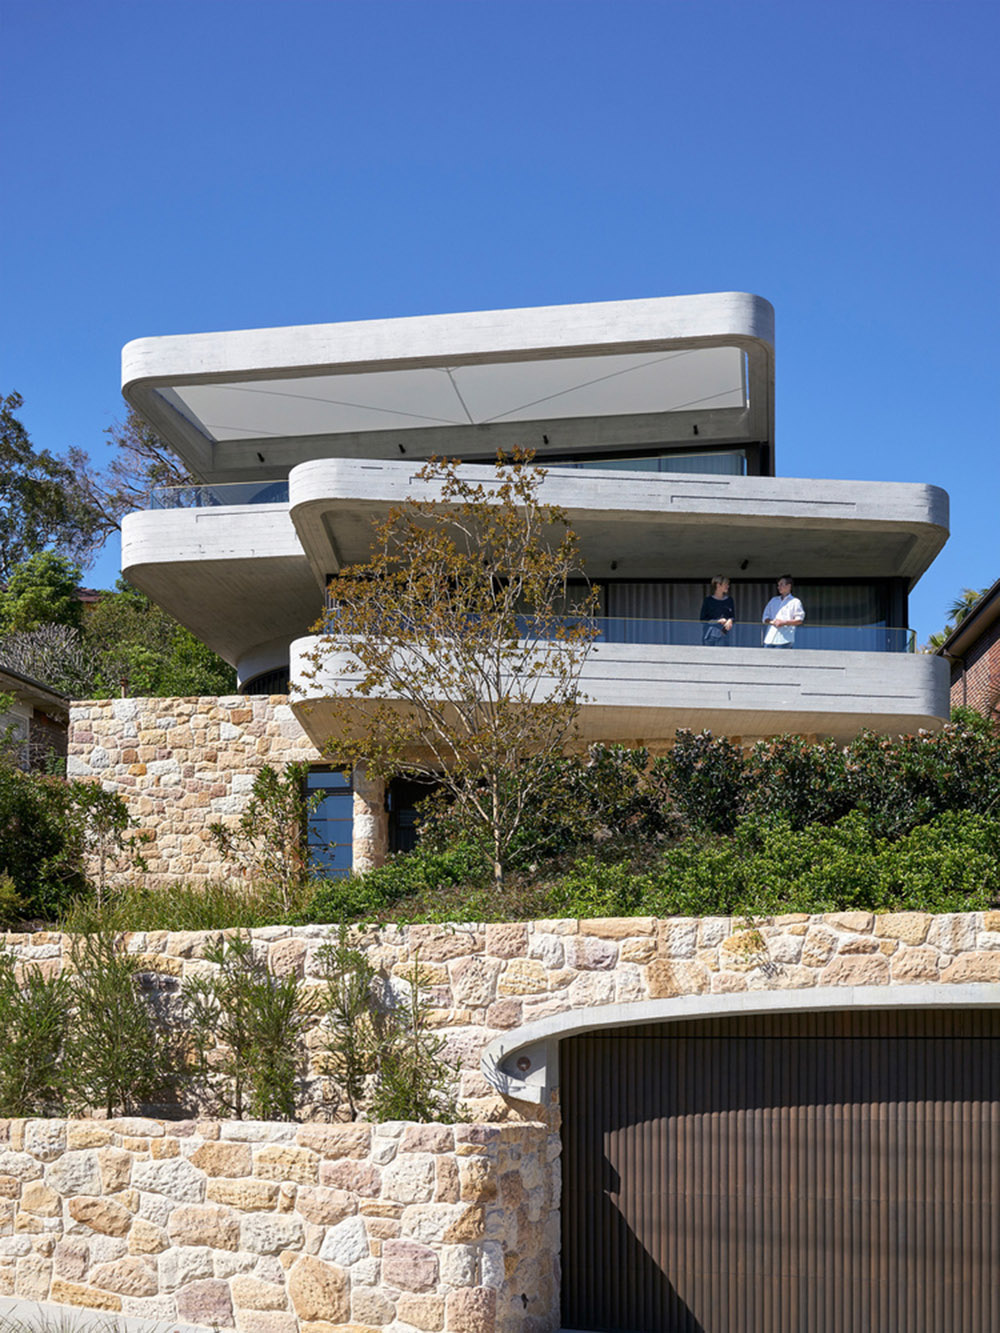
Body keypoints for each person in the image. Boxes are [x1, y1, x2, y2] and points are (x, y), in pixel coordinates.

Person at [762, 576, 805, 646]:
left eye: (781, 584)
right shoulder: (773, 600)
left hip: (785, 639)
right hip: (769, 639)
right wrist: (773, 622)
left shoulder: (795, 602)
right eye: (778, 585)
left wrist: (784, 622)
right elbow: (765, 617)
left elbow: (799, 620)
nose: (779, 587)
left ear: (789, 586)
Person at [700, 576, 735, 645]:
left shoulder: (729, 600)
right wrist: (717, 621)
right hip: (710, 635)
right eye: (726, 584)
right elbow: (702, 619)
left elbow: (732, 616)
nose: (728, 586)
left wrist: (730, 621)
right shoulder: (708, 601)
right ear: (718, 585)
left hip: (724, 634)